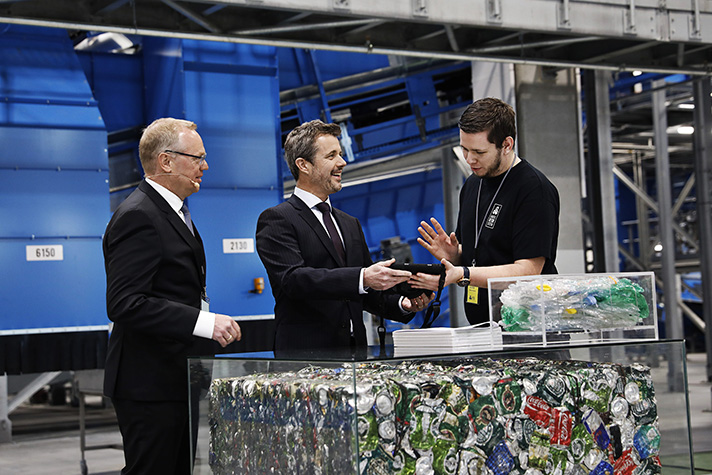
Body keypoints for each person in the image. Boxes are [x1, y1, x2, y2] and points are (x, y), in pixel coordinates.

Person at [103, 118, 242, 475]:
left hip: (174, 376)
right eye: (196, 157)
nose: (204, 166)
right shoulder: (138, 216)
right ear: (166, 161)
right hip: (148, 383)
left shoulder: (172, 212)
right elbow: (125, 303)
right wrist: (204, 322)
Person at [256, 119, 432, 352]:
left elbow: (364, 291)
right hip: (306, 356)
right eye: (331, 156)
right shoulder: (278, 219)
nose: (342, 162)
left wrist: (403, 304)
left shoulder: (349, 223)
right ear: (303, 165)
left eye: (340, 154)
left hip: (355, 355)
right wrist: (363, 277)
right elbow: (294, 280)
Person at [411, 97, 560, 325]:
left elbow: (528, 270)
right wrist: (455, 256)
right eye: (464, 149)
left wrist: (463, 274)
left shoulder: (533, 189)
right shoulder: (472, 184)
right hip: (482, 327)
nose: (470, 159)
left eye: (479, 152)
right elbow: (481, 256)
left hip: (529, 329)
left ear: (507, 144)